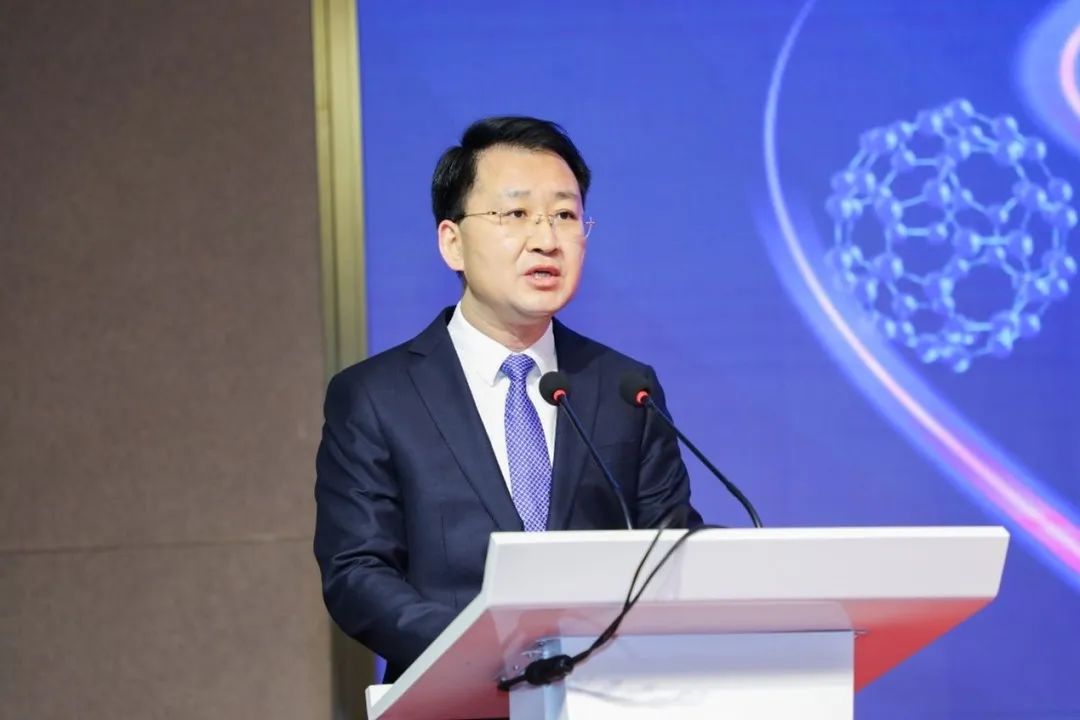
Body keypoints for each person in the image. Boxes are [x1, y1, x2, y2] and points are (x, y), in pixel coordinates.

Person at [313, 116, 700, 683]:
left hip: (609, 695)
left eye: (565, 215)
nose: (546, 239)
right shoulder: (375, 396)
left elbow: (669, 552)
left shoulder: (624, 387)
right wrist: (484, 654)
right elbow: (356, 571)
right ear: (452, 242)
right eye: (515, 214)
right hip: (451, 696)